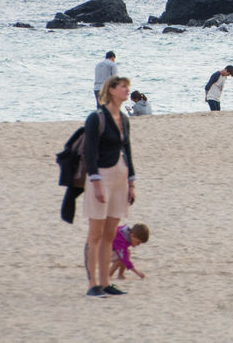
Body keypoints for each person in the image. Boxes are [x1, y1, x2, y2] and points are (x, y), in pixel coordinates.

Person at [83, 76, 136, 298]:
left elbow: (128, 151)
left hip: (120, 178)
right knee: (95, 234)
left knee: (109, 235)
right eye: (123, 87)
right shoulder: (96, 118)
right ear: (112, 90)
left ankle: (105, 283)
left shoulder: (123, 119)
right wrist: (95, 183)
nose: (127, 90)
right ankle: (93, 284)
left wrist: (132, 182)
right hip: (101, 178)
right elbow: (89, 152)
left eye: (127, 87)